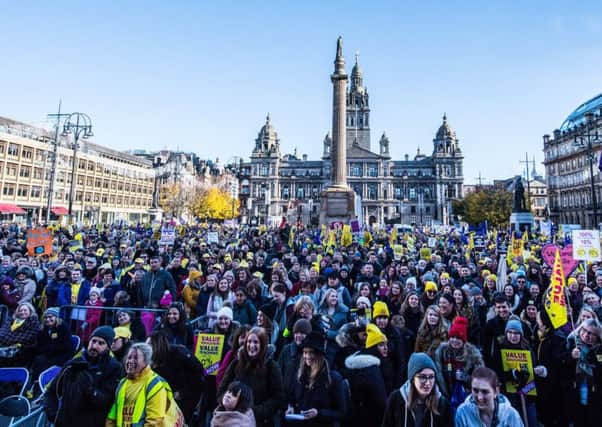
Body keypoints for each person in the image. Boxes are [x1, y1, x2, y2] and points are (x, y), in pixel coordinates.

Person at [44, 326, 123, 427]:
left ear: (108, 346)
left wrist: (89, 390)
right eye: (93, 341)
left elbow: (107, 402)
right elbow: (51, 392)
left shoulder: (114, 367)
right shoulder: (72, 364)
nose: (95, 346)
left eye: (101, 343)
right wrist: (55, 416)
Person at [218, 326, 285, 427]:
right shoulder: (236, 363)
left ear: (262, 345)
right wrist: (229, 404)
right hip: (233, 420)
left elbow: (277, 398)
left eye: (256, 342)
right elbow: (222, 389)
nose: (252, 345)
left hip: (260, 422)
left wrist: (254, 412)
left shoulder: (272, 367)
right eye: (249, 341)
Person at [106, 342, 185, 427]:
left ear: (146, 362)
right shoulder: (122, 383)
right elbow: (113, 416)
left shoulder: (154, 384)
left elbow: (154, 421)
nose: (130, 361)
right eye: (129, 358)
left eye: (135, 358)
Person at [285, 331, 347, 427]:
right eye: (305, 352)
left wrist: (319, 413)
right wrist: (291, 407)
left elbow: (341, 413)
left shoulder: (333, 378)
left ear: (319, 355)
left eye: (311, 352)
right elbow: (292, 398)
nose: (307, 356)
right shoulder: (299, 375)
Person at [149, 331, 206, 425]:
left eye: (150, 344)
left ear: (157, 345)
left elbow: (198, 371)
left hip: (188, 396)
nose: (148, 347)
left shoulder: (179, 353)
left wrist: (183, 392)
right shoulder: (155, 360)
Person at [382, 352, 451, 427]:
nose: (428, 383)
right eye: (422, 377)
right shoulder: (396, 399)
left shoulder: (443, 404)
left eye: (431, 377)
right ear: (412, 379)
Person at [433, 316, 484, 414]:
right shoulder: (441, 352)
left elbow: (480, 380)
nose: (455, 341)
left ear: (464, 340)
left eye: (458, 338)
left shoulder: (472, 355)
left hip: (466, 400)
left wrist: (467, 378)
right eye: (452, 337)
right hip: (444, 398)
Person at [344, 323, 388, 427]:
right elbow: (381, 402)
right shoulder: (371, 369)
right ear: (373, 347)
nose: (386, 348)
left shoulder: (357, 364)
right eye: (381, 345)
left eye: (386, 344)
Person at [562, 318, 602, 427]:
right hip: (574, 390)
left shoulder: (599, 349)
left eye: (591, 334)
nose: (586, 335)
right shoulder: (570, 342)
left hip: (593, 393)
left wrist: (593, 361)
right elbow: (560, 364)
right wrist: (571, 356)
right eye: (584, 330)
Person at [455, 366, 524, 427]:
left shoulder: (511, 415)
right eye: (475, 391)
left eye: (485, 392)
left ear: (496, 392)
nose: (479, 397)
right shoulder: (463, 413)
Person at [30, 307, 74, 381]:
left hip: (62, 355)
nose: (47, 319)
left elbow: (66, 346)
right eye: (45, 317)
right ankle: (36, 382)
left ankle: (46, 382)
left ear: (56, 317)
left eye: (50, 317)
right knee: (38, 359)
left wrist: (50, 349)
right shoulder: (43, 329)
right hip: (48, 354)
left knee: (43, 362)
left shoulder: (63, 327)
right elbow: (40, 345)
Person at [278, 318, 311, 398]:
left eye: (302, 333)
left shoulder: (311, 353)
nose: (298, 335)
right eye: (296, 332)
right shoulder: (286, 350)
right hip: (284, 397)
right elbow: (278, 373)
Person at [0, 301, 40, 366]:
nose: (22, 312)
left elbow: (26, 337)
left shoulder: (33, 321)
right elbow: (2, 332)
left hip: (22, 348)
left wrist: (8, 340)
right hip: (4, 345)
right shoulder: (11, 320)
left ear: (30, 311)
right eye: (20, 310)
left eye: (25, 310)